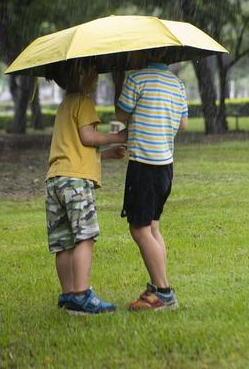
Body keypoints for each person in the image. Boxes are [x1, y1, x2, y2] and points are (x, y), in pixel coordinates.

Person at [45, 60, 127, 315]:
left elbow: (75, 151)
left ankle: (69, 294)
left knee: (63, 241)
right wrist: (119, 136)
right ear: (83, 75)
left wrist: (108, 153)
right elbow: (87, 137)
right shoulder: (83, 102)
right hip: (76, 183)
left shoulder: (63, 107)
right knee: (85, 236)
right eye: (95, 74)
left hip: (56, 180)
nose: (97, 78)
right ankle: (82, 295)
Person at [114, 51, 188, 311]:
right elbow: (184, 124)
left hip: (144, 166)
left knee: (139, 228)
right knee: (153, 227)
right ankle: (160, 287)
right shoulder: (177, 84)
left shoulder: (136, 79)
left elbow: (121, 117)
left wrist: (121, 83)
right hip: (165, 166)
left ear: (143, 53)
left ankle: (164, 293)